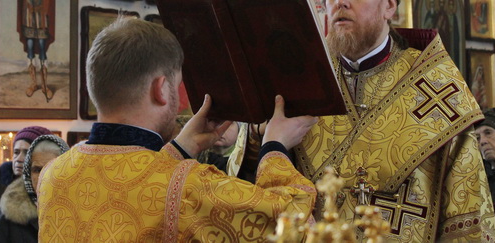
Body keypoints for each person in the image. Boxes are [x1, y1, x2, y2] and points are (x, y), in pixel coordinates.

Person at [229, 0, 495, 241]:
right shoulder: (294, 80)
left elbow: (468, 219)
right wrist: (257, 134)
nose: (340, 1)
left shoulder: (437, 88)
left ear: (389, 6)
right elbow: (249, 192)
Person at [37, 18, 318, 241]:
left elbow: (133, 194)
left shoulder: (53, 175)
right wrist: (274, 147)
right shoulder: (188, 186)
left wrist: (182, 149)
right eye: (177, 84)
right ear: (161, 89)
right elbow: (292, 219)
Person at [0, 134, 68, 243]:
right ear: (28, 173)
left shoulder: (81, 212)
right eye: (37, 170)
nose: (43, 177)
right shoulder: (8, 212)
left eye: (52, 169)